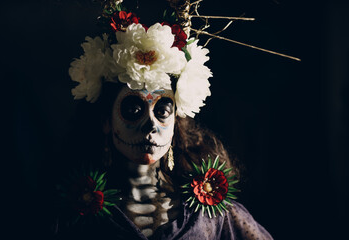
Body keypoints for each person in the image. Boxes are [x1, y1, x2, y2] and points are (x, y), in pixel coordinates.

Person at [51, 1, 273, 239]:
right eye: (133, 110)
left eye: (163, 112)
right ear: (107, 121)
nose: (151, 125)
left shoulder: (210, 214)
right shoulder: (74, 215)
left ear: (176, 121)